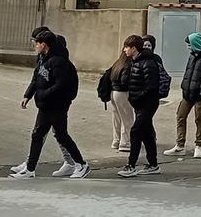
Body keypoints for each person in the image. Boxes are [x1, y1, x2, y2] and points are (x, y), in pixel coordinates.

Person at [9, 31, 89, 179]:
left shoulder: (58, 62)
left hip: (57, 105)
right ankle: (30, 169)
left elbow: (61, 84)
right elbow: (36, 79)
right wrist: (28, 95)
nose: (35, 47)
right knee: (37, 134)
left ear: (44, 45)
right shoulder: (43, 59)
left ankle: (81, 164)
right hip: (45, 106)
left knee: (61, 135)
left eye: (36, 44)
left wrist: (43, 94)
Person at [164, 32, 201, 159]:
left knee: (199, 119)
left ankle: (198, 145)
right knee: (180, 117)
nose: (188, 47)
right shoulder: (192, 56)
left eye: (189, 44)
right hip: (187, 93)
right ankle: (180, 145)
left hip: (200, 95)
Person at [117, 35, 161, 177]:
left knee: (136, 131)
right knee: (147, 134)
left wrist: (138, 95)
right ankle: (153, 164)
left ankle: (131, 165)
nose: (124, 50)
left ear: (134, 49)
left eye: (126, 47)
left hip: (148, 104)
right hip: (139, 104)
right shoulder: (134, 61)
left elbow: (152, 86)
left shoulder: (148, 63)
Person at [107, 49, 134, 152]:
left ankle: (116, 141)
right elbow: (125, 81)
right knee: (127, 119)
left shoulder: (118, 62)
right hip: (122, 93)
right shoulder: (128, 64)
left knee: (117, 119)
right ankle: (125, 143)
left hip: (113, 92)